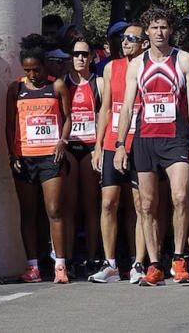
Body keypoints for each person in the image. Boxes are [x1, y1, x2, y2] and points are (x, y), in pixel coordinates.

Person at [114, 6, 189, 286]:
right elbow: (128, 105)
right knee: (147, 204)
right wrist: (120, 144)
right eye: (154, 28)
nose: (159, 33)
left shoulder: (184, 59)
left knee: (179, 196)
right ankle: (154, 264)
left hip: (176, 137)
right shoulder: (136, 64)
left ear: (171, 30)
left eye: (164, 27)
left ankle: (178, 258)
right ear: (147, 32)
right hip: (145, 138)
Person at [6, 34, 72, 284]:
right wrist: (12, 155)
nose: (33, 75)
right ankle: (32, 266)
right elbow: (10, 125)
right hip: (24, 158)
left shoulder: (56, 86)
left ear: (45, 66)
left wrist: (62, 142)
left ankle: (60, 265)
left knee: (54, 210)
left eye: (37, 69)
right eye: (28, 70)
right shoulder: (17, 88)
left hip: (50, 158)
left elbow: (69, 118)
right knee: (28, 212)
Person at [89, 22, 146, 284]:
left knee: (139, 204)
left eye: (132, 38)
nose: (126, 42)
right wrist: (99, 146)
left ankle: (138, 262)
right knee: (108, 202)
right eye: (124, 38)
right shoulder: (112, 67)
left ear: (143, 43)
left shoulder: (147, 66)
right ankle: (110, 263)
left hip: (140, 142)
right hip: (113, 142)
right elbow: (106, 108)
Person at [63, 39, 103, 275]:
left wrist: (99, 147)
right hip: (69, 147)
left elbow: (104, 114)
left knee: (90, 204)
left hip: (90, 147)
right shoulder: (63, 83)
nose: (80, 58)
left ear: (91, 58)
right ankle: (66, 258)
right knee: (68, 205)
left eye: (84, 55)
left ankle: (91, 257)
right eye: (76, 54)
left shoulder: (98, 83)